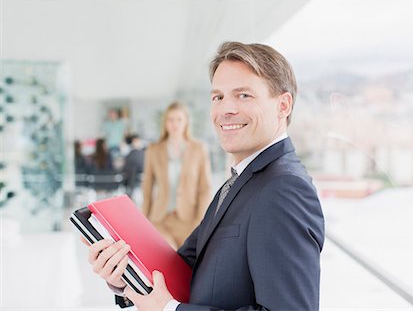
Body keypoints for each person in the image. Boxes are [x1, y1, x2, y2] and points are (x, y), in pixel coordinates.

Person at [84, 42, 325, 310]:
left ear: (283, 105)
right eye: (218, 97)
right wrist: (123, 276)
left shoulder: (284, 188)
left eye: (243, 95)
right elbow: (186, 268)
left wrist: (170, 309)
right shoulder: (241, 180)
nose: (225, 110)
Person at [139, 102, 211, 249]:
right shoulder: (154, 150)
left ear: (186, 122)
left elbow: (205, 189)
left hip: (189, 220)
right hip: (160, 219)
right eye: (170, 120)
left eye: (179, 119)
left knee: (185, 265)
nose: (175, 124)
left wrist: (200, 221)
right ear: (165, 123)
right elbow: (147, 188)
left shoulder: (198, 149)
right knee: (166, 258)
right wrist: (143, 221)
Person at [122, 134, 145, 199]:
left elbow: (124, 171)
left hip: (132, 185)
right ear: (135, 141)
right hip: (139, 183)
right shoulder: (142, 154)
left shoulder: (129, 156)